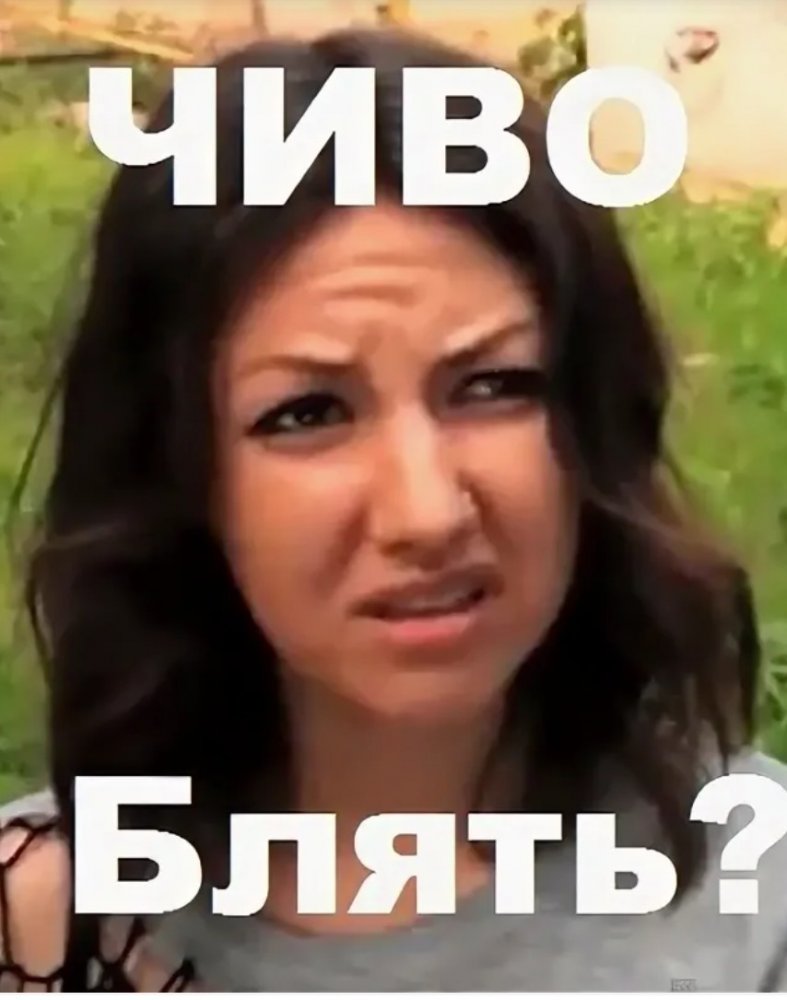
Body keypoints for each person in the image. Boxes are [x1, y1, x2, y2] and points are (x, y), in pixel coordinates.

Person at [0, 26, 784, 993]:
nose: (426, 513)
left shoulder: (755, 909)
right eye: (307, 413)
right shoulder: (43, 920)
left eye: (493, 387)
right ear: (175, 468)